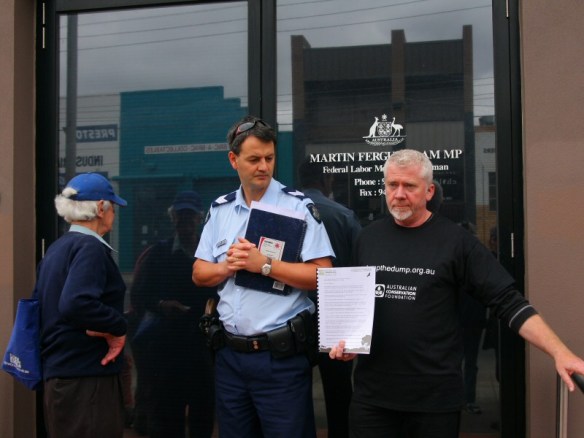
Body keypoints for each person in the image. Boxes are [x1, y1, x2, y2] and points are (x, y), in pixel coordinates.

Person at [329, 149, 584, 438]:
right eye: (392, 185)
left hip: (434, 401)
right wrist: (347, 343)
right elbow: (354, 306)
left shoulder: (456, 242)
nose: (399, 194)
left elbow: (509, 302)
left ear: (429, 190)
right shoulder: (368, 237)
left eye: (409, 186)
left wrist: (559, 352)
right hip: (372, 399)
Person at [193, 115, 334, 438]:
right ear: (233, 160)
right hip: (230, 357)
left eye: (269, 158)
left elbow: (323, 275)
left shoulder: (298, 207)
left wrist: (265, 264)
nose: (264, 166)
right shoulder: (221, 209)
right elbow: (199, 273)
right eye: (254, 159)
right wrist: (228, 266)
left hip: (280, 360)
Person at [38, 173, 128, 438]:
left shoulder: (56, 249)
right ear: (101, 208)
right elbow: (76, 303)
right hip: (86, 381)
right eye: (113, 207)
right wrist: (118, 327)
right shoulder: (90, 248)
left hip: (62, 378)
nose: (114, 214)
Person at [129, 190, 217, 437]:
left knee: (202, 419)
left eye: (190, 216)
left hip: (202, 353)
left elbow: (224, 297)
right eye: (180, 215)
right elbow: (140, 296)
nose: (185, 221)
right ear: (172, 218)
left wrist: (210, 313)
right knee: (167, 421)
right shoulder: (158, 254)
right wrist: (161, 305)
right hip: (167, 353)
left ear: (199, 219)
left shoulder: (213, 255)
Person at [298, 158, 361, 438]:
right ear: (326, 182)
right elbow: (360, 265)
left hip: (295, 313)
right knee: (338, 391)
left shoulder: (287, 212)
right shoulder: (343, 215)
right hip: (335, 312)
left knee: (292, 390)